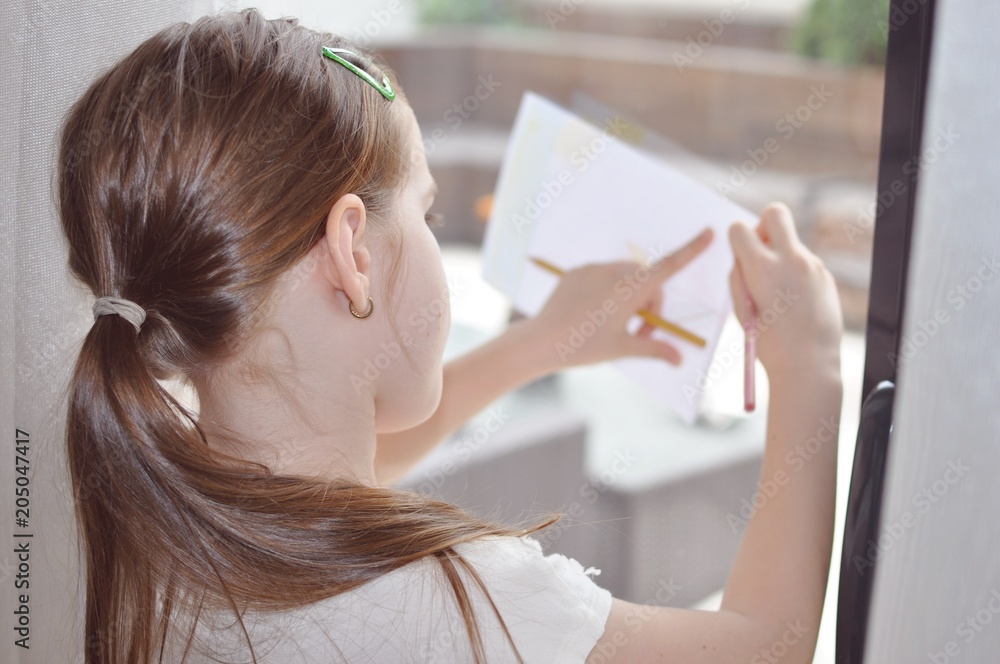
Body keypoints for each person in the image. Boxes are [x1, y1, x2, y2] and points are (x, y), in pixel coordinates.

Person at [58, 9, 843, 664]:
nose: (436, 234)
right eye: (426, 214)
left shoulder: (149, 504)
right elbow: (765, 646)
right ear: (353, 254)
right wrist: (810, 368)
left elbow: (344, 475)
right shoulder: (464, 604)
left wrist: (537, 345)